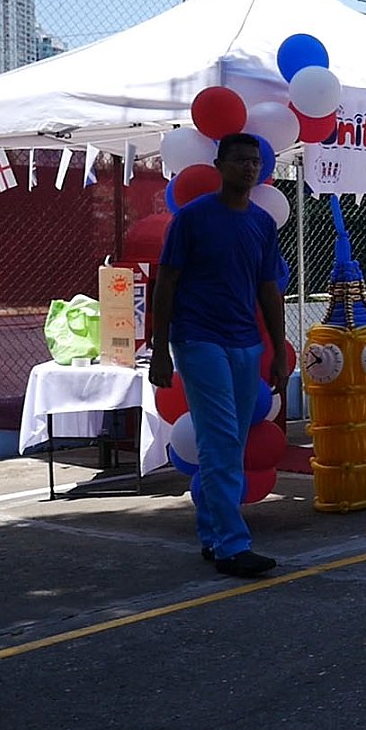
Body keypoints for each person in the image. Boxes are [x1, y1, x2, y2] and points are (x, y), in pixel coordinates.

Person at [150, 132, 288, 579]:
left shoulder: (261, 223)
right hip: (198, 339)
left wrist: (279, 351)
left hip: (245, 343)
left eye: (254, 161)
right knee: (222, 439)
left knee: (231, 440)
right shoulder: (192, 218)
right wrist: (160, 349)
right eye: (239, 160)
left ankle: (212, 533)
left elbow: (269, 289)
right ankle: (232, 545)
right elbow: (166, 282)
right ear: (219, 165)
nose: (248, 167)